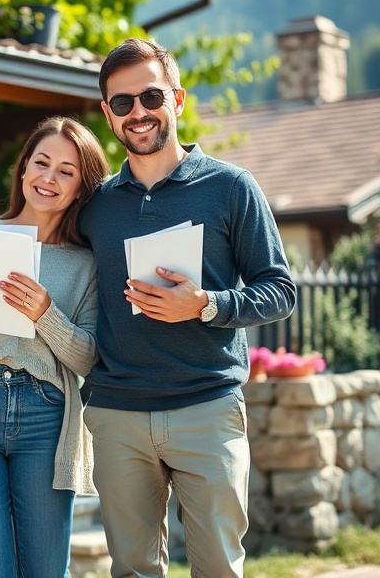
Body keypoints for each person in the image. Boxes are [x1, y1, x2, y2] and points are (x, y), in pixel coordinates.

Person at [79, 37, 296, 578]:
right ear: (108, 114)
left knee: (218, 567)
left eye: (150, 97)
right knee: (131, 569)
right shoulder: (94, 205)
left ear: (176, 100)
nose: (138, 113)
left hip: (207, 407)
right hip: (117, 412)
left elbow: (279, 290)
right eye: (122, 103)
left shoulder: (231, 188)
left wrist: (205, 305)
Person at [0, 116, 108, 578]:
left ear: (80, 187)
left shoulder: (86, 263)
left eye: (65, 171)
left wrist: (46, 314)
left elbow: (88, 357)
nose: (48, 178)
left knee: (47, 570)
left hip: (47, 415)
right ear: (23, 169)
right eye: (41, 163)